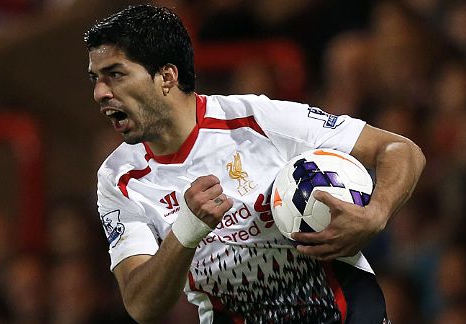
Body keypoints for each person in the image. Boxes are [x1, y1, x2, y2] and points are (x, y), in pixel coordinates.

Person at [85, 4, 426, 323]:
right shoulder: (118, 179)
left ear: (167, 77)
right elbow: (142, 305)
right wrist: (186, 230)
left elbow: (399, 149)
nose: (100, 92)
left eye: (115, 74)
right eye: (96, 78)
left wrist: (376, 214)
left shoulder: (258, 119)